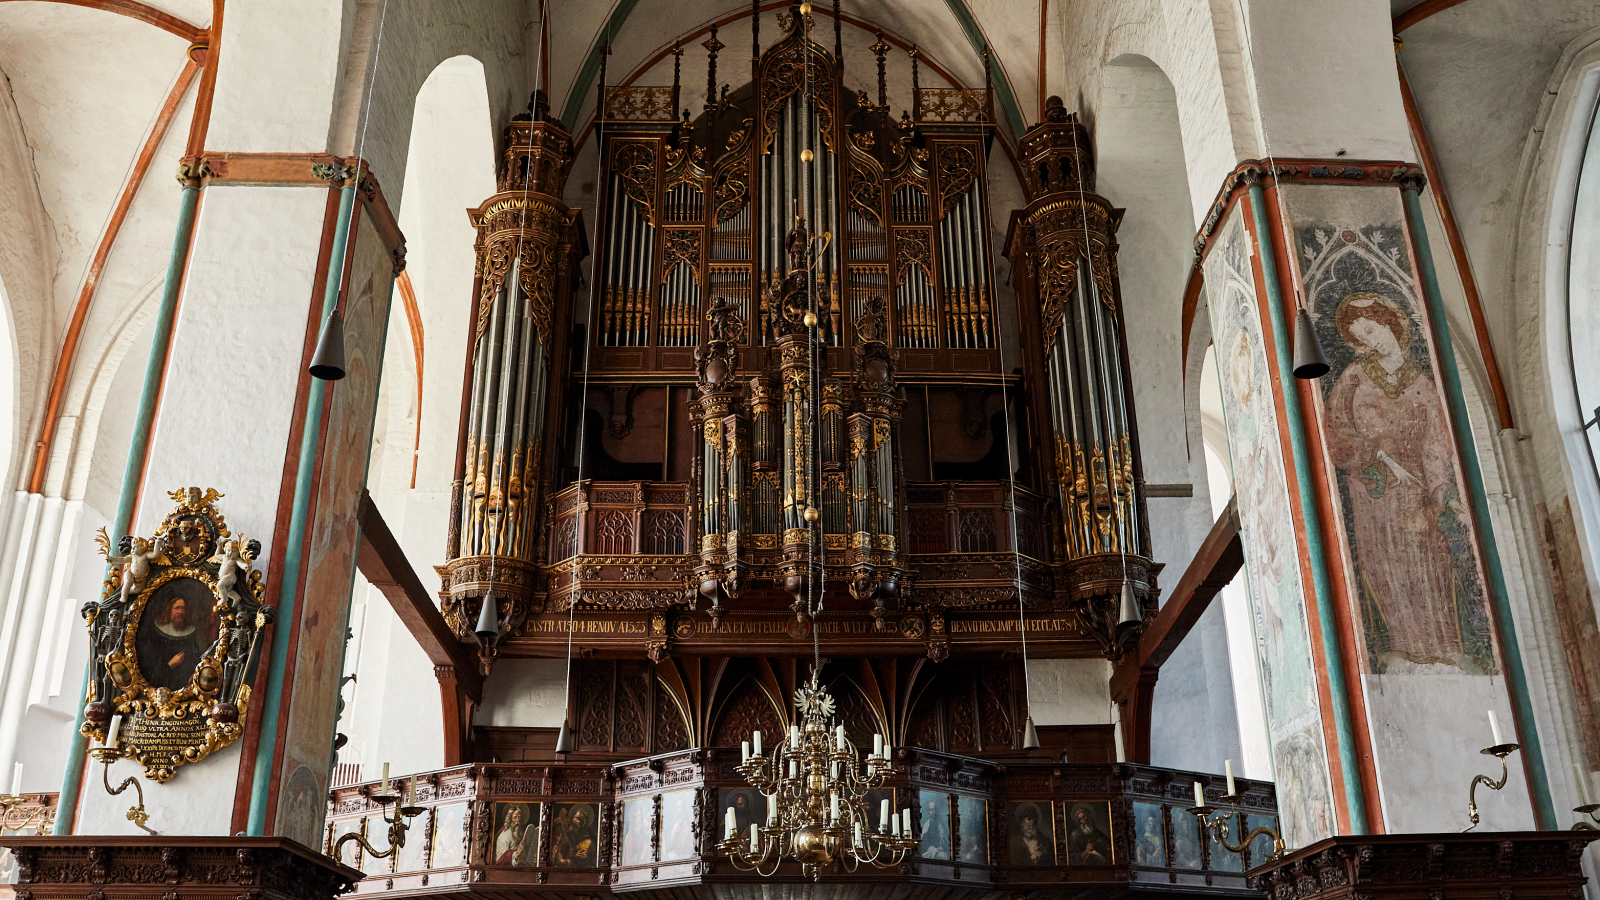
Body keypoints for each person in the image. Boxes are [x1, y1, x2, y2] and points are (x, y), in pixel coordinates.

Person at [1321, 291, 1489, 673]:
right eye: (1360, 336)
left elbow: (1435, 444)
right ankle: (1401, 648)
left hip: (1417, 491)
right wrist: (1380, 456)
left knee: (1430, 562)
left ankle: (1441, 649)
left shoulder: (1423, 383)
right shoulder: (1353, 378)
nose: (1369, 339)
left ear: (1389, 322)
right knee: (1387, 562)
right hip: (1374, 493)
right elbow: (1337, 435)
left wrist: (1442, 492)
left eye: (1372, 328)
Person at [140, 593, 209, 690]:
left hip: (185, 686)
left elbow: (196, 657)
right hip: (162, 685)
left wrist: (195, 672)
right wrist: (171, 664)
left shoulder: (188, 633)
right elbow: (150, 668)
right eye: (177, 608)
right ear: (169, 610)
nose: (181, 612)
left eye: (183, 608)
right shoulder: (157, 634)